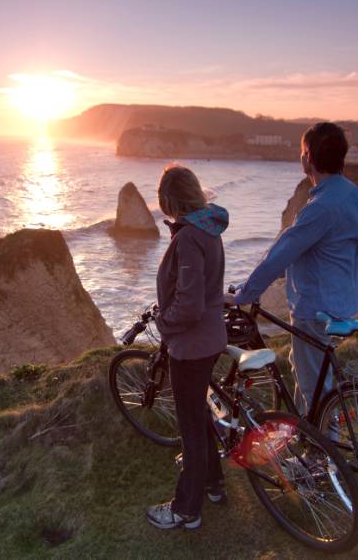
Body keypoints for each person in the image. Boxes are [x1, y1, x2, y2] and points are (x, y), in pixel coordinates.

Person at [229, 122, 358, 414]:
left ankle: (321, 454)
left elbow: (280, 253)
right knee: (308, 369)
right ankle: (308, 434)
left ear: (308, 157)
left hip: (316, 307)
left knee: (314, 388)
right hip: (345, 297)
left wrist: (244, 294)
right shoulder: (353, 194)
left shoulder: (321, 207)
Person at [146, 164, 230, 531]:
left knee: (191, 427)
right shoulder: (209, 228)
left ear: (169, 200)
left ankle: (185, 510)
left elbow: (191, 305)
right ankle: (213, 484)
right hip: (210, 339)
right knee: (200, 416)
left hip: (191, 345)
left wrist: (165, 322)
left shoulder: (189, 238)